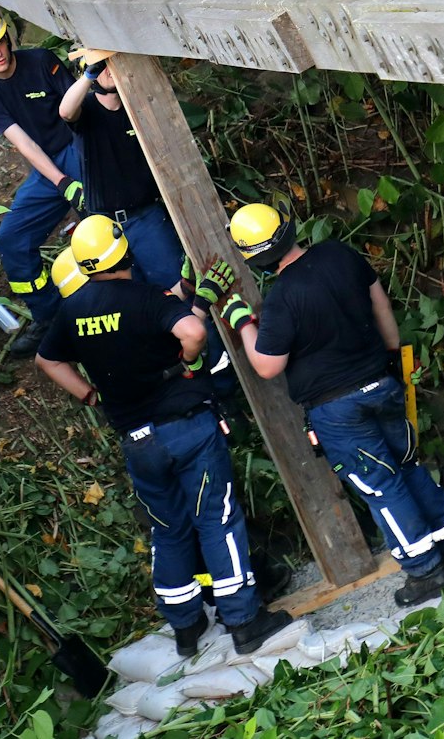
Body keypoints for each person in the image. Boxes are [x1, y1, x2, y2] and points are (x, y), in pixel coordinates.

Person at [35, 215, 293, 657]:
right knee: (216, 518)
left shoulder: (72, 310)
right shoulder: (142, 297)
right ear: (124, 251)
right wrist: (186, 358)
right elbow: (190, 331)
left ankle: (186, 627)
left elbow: (46, 361)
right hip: (184, 427)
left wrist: (90, 395)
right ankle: (245, 620)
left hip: (137, 441)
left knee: (168, 530)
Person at [200, 203, 444, 608]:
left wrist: (242, 321)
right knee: (409, 467)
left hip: (339, 410)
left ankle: (426, 571)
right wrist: (390, 357)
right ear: (288, 228)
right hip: (382, 384)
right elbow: (381, 304)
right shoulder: (339, 254)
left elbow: (266, 365)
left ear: (252, 257)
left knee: (381, 487)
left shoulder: (281, 300)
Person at [0, 4, 84, 356]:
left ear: (9, 36)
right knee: (11, 238)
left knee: (101, 216)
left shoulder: (42, 61)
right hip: (48, 168)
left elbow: (82, 111)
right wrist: (60, 182)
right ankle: (51, 318)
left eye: (0, 42)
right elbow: (24, 144)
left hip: (80, 146)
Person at [58, 57, 184, 290]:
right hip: (105, 225)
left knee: (178, 286)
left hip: (147, 218)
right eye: (102, 65)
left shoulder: (138, 108)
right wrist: (89, 74)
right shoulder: (85, 110)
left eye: (112, 63)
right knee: (132, 302)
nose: (109, 70)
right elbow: (65, 111)